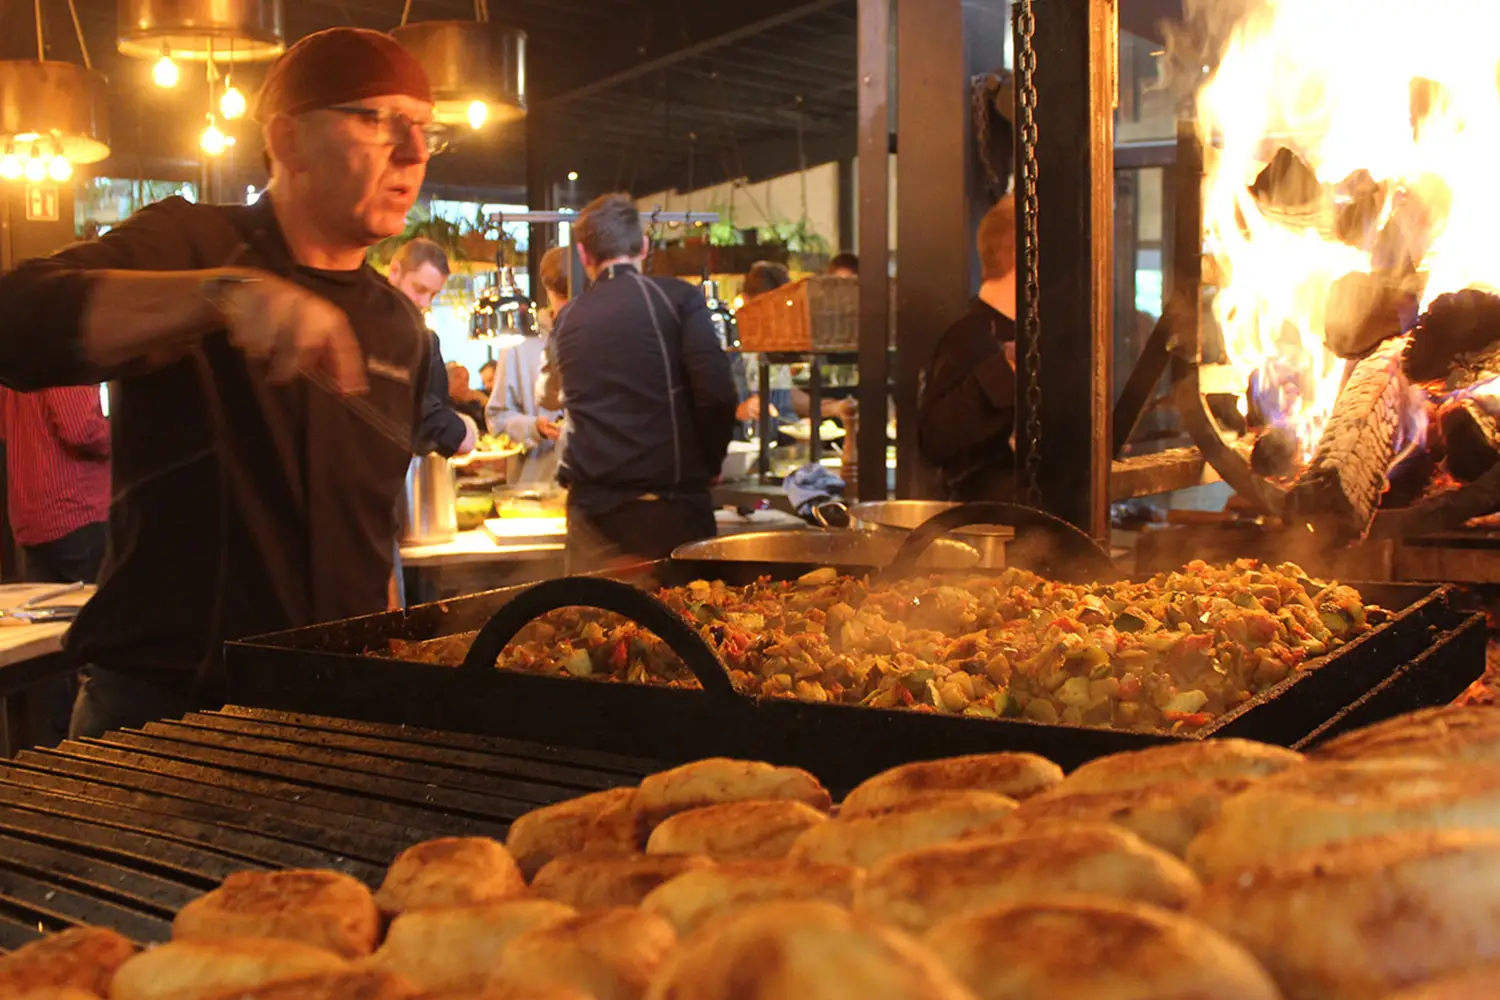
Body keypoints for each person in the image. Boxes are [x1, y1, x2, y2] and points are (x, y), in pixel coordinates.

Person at [0, 26, 441, 738]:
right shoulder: (194, 242)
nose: (414, 153)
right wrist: (218, 295)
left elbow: (372, 530)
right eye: (376, 120)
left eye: (425, 129)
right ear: (288, 141)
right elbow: (16, 320)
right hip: (163, 713)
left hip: (336, 711)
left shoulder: (400, 327)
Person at [552, 193, 738, 569]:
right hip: (669, 513)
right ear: (644, 246)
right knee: (683, 606)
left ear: (583, 254)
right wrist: (711, 461)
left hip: (592, 520)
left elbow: (567, 404)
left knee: (590, 608)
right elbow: (717, 394)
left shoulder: (568, 317)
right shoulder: (679, 299)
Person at [918, 195, 1019, 501]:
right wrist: (1007, 369)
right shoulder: (968, 336)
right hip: (988, 523)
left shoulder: (1025, 330)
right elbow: (934, 440)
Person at [0, 386, 110, 582]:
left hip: (31, 519)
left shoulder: (15, 366)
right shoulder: (65, 366)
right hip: (75, 513)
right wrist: (122, 434)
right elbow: (81, 430)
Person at [388, 238, 477, 457]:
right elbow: (422, 412)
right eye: (419, 289)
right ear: (394, 272)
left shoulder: (425, 339)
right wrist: (462, 431)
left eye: (433, 295)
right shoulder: (377, 328)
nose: (424, 303)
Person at [486, 245, 565, 484]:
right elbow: (497, 418)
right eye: (562, 297)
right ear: (548, 291)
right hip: (535, 485)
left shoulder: (603, 338)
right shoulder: (519, 344)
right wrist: (534, 427)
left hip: (593, 486)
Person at [447, 363, 489, 428]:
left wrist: (486, 403)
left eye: (466, 379)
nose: (463, 383)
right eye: (458, 377)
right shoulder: (441, 405)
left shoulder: (471, 403)